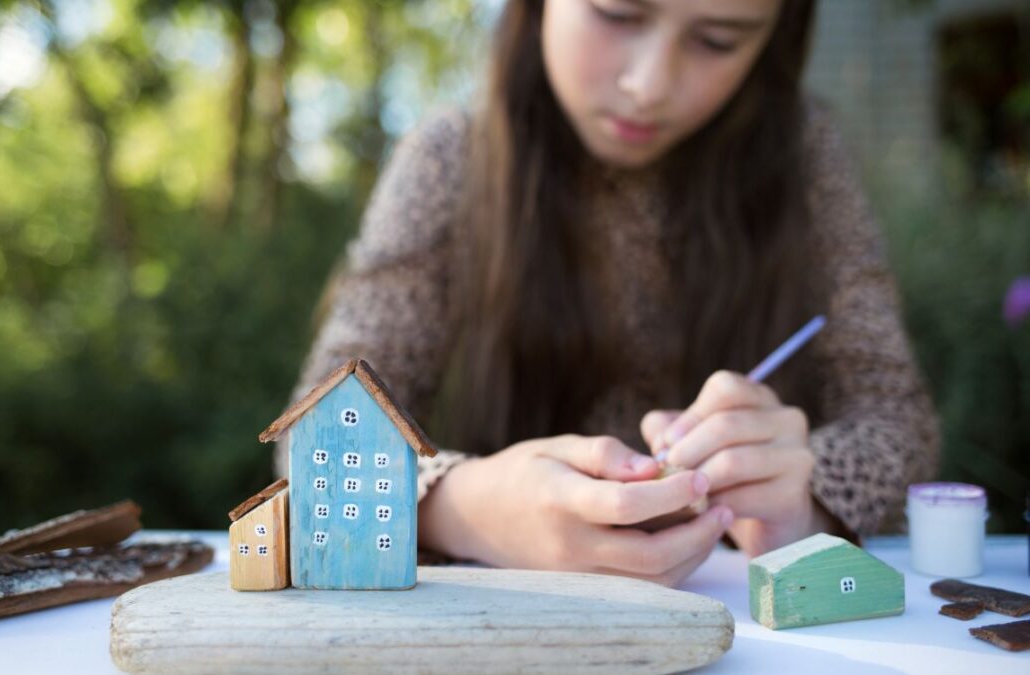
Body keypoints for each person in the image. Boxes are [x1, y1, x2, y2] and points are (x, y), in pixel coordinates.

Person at [274, 0, 940, 587]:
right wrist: (466, 507)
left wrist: (807, 495)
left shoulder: (804, 158)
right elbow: (320, 437)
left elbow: (898, 423)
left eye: (718, 40)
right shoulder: (455, 161)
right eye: (618, 14)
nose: (648, 85)